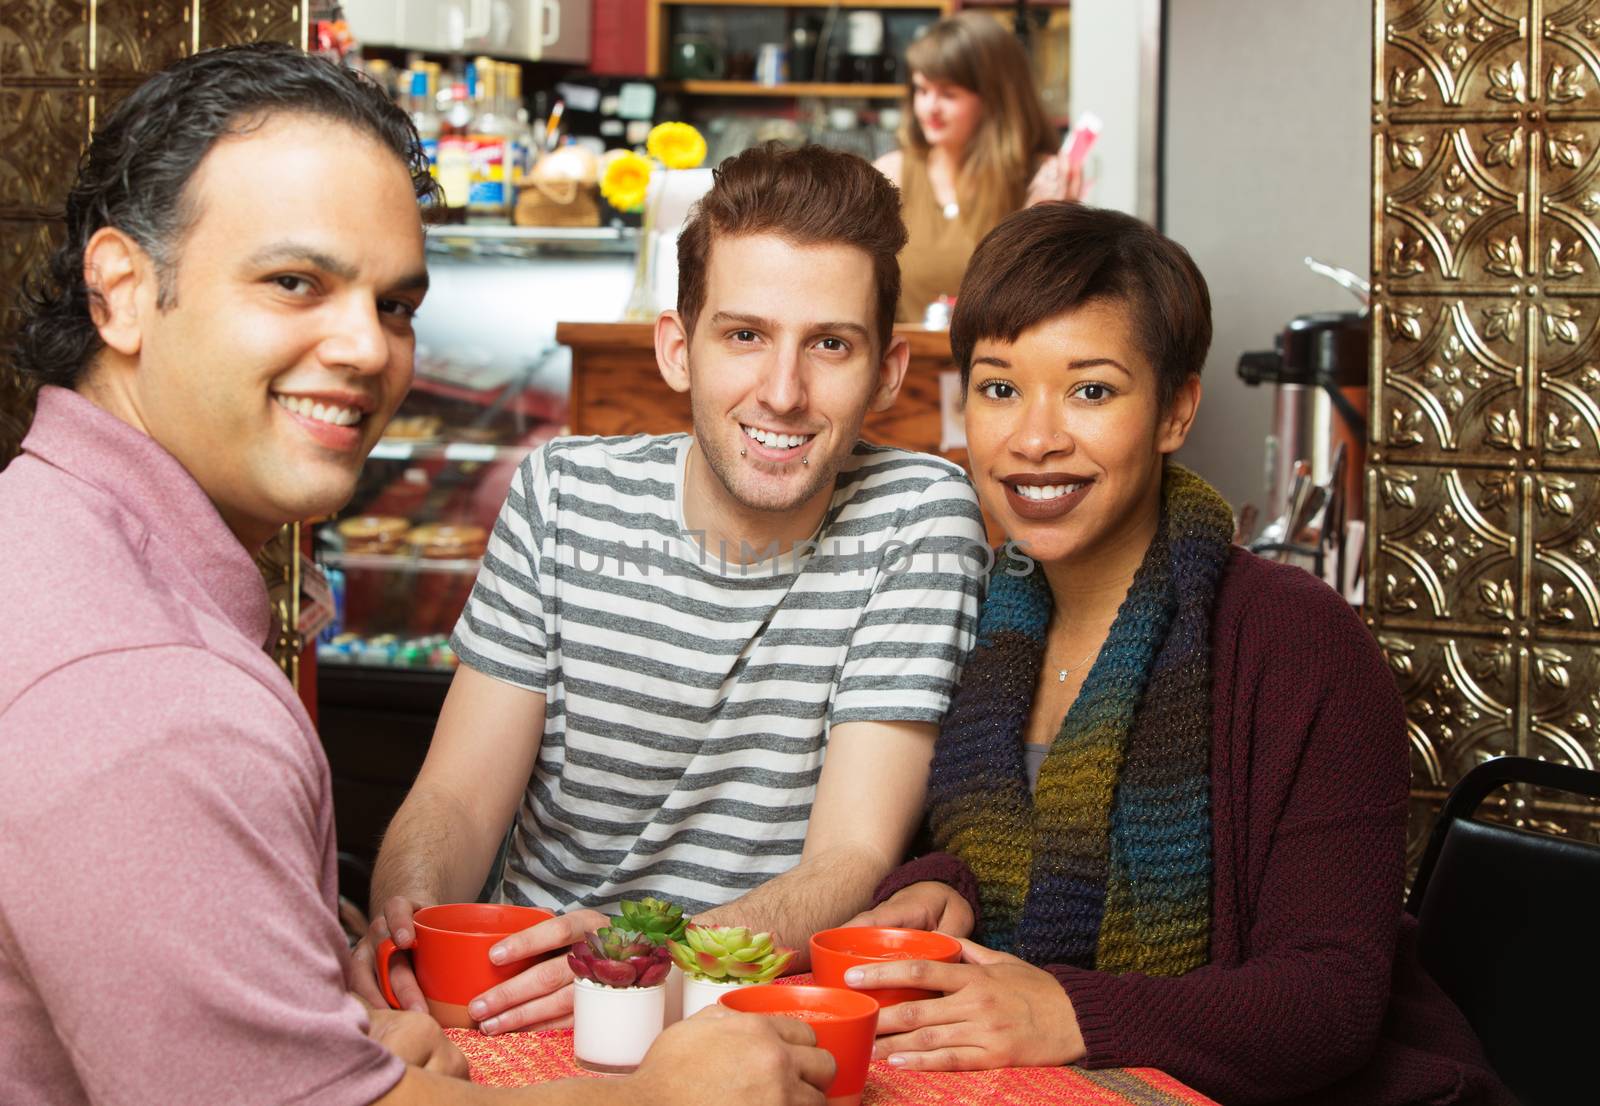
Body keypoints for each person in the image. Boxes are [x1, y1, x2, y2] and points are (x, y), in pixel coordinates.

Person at [0, 44, 833, 1106]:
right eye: (294, 281)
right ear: (120, 290)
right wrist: (657, 1097)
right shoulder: (149, 692)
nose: (366, 348)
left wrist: (329, 1026)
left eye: (394, 304)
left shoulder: (52, 527)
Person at [841, 203, 1515, 1106]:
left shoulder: (1300, 642)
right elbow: (1016, 859)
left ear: (1176, 410)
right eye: (1000, 388)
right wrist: (942, 887)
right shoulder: (984, 621)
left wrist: (1070, 1012)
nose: (1034, 438)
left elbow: (1331, 1000)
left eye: (1091, 390)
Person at [355, 143, 987, 1037]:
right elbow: (455, 800)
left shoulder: (919, 515)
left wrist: (628, 970)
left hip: (735, 1017)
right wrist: (410, 919)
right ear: (677, 349)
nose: (783, 391)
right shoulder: (561, 493)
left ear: (886, 372)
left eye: (831, 345)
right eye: (745, 335)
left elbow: (850, 859)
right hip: (509, 993)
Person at [874, 12, 1080, 323]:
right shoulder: (893, 174)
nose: (930, 108)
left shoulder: (1042, 180)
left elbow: (1050, 306)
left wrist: (1049, 223)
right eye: (922, 90)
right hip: (912, 367)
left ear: (995, 99)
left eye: (948, 94)